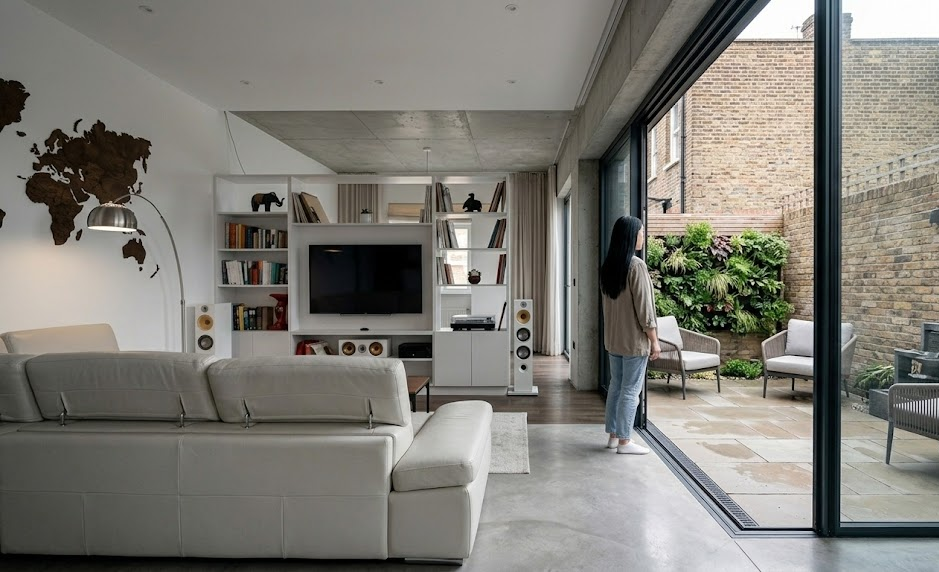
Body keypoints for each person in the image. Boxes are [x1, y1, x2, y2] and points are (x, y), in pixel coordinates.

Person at [600, 215, 660, 455]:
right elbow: (645, 309)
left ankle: (614, 435)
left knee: (616, 386)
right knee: (630, 390)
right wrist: (654, 340)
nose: (643, 237)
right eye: (641, 232)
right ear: (630, 236)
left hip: (614, 340)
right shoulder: (636, 266)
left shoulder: (609, 267)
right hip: (634, 341)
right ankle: (625, 441)